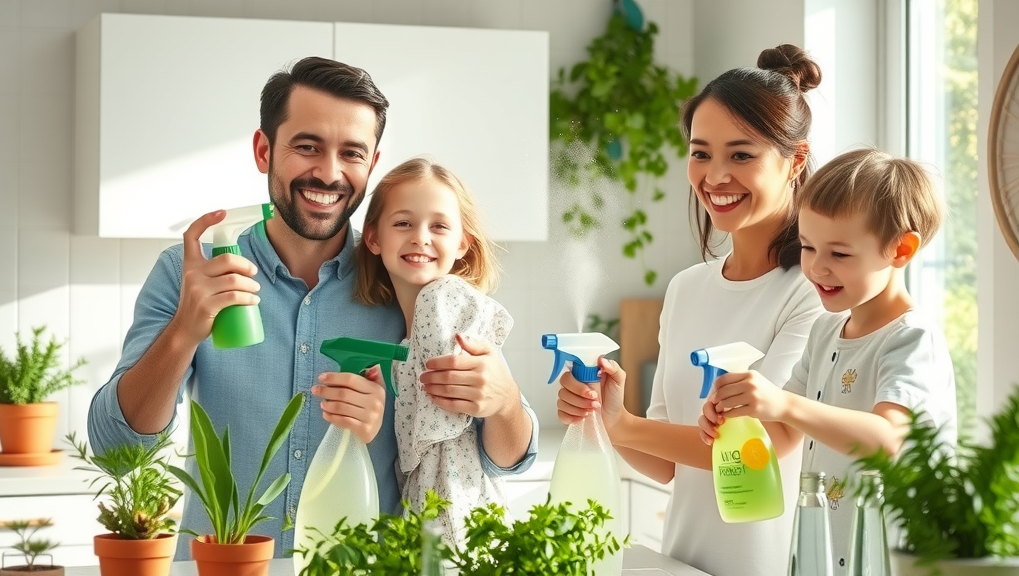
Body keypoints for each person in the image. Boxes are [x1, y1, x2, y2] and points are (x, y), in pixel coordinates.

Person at [86, 57, 537, 560]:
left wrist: (505, 401)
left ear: (371, 164)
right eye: (307, 146)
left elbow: (504, 461)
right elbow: (115, 452)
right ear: (264, 150)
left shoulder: (408, 281)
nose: (329, 172)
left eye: (351, 153)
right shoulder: (191, 273)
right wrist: (184, 331)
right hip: (227, 567)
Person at [555, 44, 825, 576]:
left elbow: (762, 445)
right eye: (701, 153)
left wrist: (624, 423)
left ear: (795, 161)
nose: (715, 176)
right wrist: (604, 415)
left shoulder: (810, 294)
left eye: (741, 155)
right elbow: (665, 465)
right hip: (682, 563)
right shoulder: (686, 288)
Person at [699, 147, 958, 573]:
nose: (816, 268)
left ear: (900, 249)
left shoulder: (911, 339)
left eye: (839, 254)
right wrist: (735, 416)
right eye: (807, 247)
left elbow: (887, 440)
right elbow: (783, 428)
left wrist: (783, 403)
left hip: (892, 561)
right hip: (823, 556)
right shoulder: (825, 332)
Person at [352, 156, 530, 546]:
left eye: (439, 226)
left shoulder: (442, 299)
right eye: (403, 223)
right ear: (373, 238)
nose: (421, 237)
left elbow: (436, 428)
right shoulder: (407, 330)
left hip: (454, 506)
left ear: (463, 242)